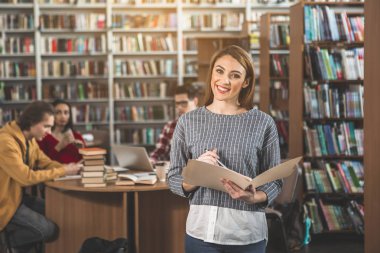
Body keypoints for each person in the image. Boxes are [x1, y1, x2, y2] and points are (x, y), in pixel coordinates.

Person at [167, 45, 282, 253]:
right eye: (219, 71)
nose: (224, 81)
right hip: (201, 233)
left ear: (246, 82)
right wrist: (194, 178)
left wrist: (256, 197)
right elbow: (173, 176)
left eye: (235, 75)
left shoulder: (263, 123)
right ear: (211, 72)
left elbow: (275, 179)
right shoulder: (187, 122)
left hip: (247, 234)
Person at [0, 101, 81, 252]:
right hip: (4, 203)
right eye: (46, 126)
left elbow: (45, 162)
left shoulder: (30, 140)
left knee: (57, 212)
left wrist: (73, 169)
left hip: (17, 198)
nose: (49, 132)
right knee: (48, 230)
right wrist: (63, 171)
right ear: (31, 122)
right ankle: (5, 243)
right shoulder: (6, 142)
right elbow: (26, 177)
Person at [149, 84, 198, 163]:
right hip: (172, 171)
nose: (179, 107)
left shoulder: (207, 125)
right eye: (177, 104)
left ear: (195, 101)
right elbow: (160, 151)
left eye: (183, 103)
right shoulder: (170, 125)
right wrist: (152, 160)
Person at [37, 99, 85, 164]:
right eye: (58, 112)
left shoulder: (77, 136)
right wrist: (59, 147)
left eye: (66, 113)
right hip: (55, 173)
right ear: (51, 115)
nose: (63, 116)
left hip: (76, 173)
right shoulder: (43, 137)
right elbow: (41, 163)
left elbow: (85, 162)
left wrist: (82, 150)